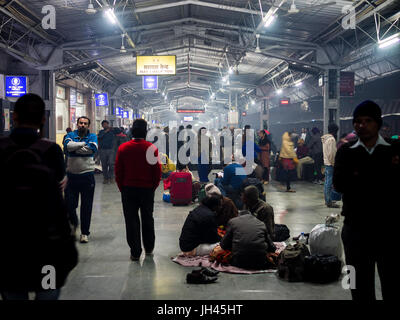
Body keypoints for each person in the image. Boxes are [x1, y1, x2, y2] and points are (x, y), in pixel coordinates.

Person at [0, 94, 77, 300]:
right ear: (43, 119)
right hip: (46, 248)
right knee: (47, 294)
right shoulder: (51, 150)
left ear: (13, 117)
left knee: (13, 294)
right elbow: (60, 189)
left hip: (8, 249)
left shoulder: (1, 149)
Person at [333, 100, 399, 301]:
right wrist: (384, 174)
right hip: (355, 232)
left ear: (378, 123)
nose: (361, 125)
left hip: (390, 230)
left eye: (368, 121)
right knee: (357, 286)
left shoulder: (395, 148)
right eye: (358, 121)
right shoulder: (345, 151)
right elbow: (339, 185)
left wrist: (359, 175)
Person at [115, 119, 162, 261]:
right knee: (148, 217)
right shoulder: (151, 148)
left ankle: (135, 252)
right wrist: (152, 187)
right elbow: (157, 172)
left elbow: (118, 171)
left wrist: (122, 187)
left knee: (131, 219)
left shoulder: (123, 148)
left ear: (132, 131)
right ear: (146, 132)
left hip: (128, 189)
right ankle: (149, 247)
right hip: (147, 189)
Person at [64, 116, 98, 243]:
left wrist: (75, 147)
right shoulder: (70, 135)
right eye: (80, 123)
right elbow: (67, 147)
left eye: (85, 123)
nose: (82, 125)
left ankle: (85, 233)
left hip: (87, 177)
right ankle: (73, 224)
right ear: (77, 124)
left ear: (88, 125)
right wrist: (84, 144)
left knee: (86, 206)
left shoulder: (93, 136)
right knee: (69, 205)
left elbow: (92, 149)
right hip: (71, 177)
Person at [322, 123, 340, 208]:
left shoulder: (325, 139)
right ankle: (329, 201)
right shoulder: (332, 139)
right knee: (329, 183)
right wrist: (334, 164)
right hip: (330, 164)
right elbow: (332, 154)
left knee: (327, 183)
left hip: (326, 163)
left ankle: (327, 200)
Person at [98, 120, 116, 184]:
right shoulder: (101, 132)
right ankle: (105, 178)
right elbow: (99, 137)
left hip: (111, 150)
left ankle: (111, 177)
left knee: (111, 164)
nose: (105, 125)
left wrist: (113, 128)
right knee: (104, 165)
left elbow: (119, 132)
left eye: (106, 124)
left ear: (108, 124)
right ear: (102, 126)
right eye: (104, 124)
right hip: (103, 150)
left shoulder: (112, 131)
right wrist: (106, 132)